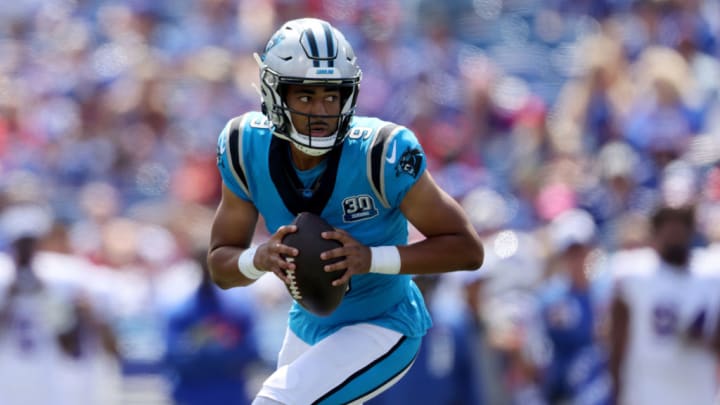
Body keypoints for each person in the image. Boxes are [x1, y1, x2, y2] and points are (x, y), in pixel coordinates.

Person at [208, 18, 484, 404]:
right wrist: (260, 258)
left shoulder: (381, 153)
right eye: (305, 96)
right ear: (275, 94)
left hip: (384, 323)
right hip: (308, 323)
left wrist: (370, 258)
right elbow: (220, 265)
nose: (321, 110)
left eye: (331, 96)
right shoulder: (243, 146)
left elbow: (468, 249)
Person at [607, 205, 720, 405]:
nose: (674, 232)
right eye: (667, 224)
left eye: (680, 223)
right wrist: (617, 390)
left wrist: (705, 339)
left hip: (697, 390)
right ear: (655, 231)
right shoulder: (634, 275)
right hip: (647, 390)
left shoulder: (711, 275)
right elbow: (616, 344)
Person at [163, 249, 262, 405]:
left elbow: (252, 352)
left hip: (230, 396)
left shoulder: (237, 309)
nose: (206, 270)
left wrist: (212, 349)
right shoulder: (181, 311)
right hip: (192, 396)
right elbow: (172, 356)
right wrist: (213, 348)